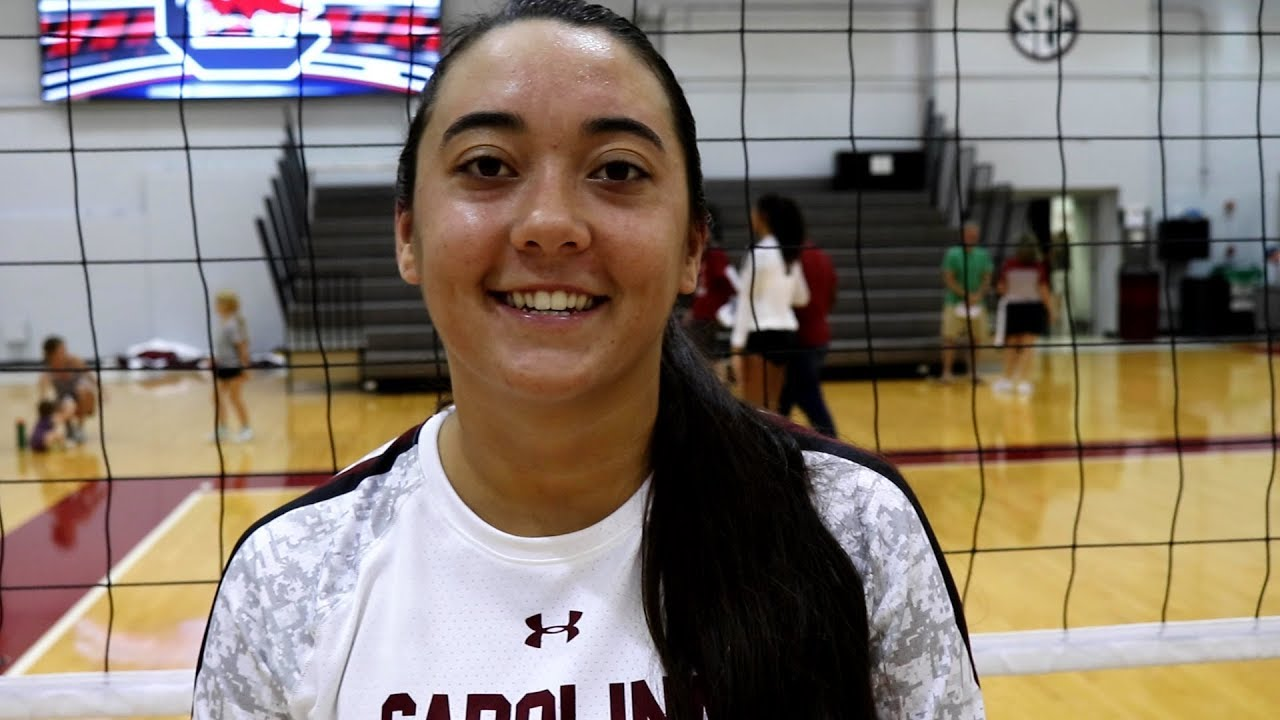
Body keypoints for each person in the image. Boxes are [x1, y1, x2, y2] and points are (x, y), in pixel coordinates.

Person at [193, 2, 985, 718]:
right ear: (408, 235)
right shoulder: (289, 579)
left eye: (617, 171)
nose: (549, 225)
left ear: (691, 249)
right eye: (487, 166)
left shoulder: (854, 529)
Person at [730, 194, 810, 411]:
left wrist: (736, 346)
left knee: (754, 410)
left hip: (760, 335)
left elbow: (745, 300)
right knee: (772, 408)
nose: (751, 215)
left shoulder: (760, 253)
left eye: (754, 210)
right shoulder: (789, 254)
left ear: (763, 216)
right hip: (786, 336)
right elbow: (802, 297)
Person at [777, 238, 838, 437]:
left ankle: (834, 446)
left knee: (807, 398)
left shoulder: (790, 257)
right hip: (820, 337)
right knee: (786, 398)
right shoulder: (822, 256)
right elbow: (832, 295)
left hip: (799, 340)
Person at [993, 237, 1054, 396]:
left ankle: (1007, 379)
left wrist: (1012, 291)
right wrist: (1051, 311)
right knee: (1028, 345)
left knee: (1011, 345)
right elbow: (1044, 291)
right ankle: (1023, 381)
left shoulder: (1008, 265)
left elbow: (1001, 288)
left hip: (1014, 307)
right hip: (1033, 308)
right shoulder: (1039, 267)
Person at [683, 203, 737, 377]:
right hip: (701, 313)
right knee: (702, 353)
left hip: (709, 314)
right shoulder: (704, 255)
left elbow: (730, 283)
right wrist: (693, 309)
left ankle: (718, 387)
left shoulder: (716, 254)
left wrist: (723, 308)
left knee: (707, 354)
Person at [939, 221, 994, 384]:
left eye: (974, 235)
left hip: (977, 303)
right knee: (950, 338)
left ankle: (974, 373)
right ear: (963, 235)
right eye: (969, 235)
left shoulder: (983, 254)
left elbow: (987, 278)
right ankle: (947, 373)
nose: (972, 238)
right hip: (954, 303)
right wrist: (965, 295)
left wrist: (977, 295)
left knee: (977, 339)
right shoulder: (953, 253)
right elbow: (948, 278)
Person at [210, 290, 253, 443]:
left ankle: (246, 428)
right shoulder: (224, 322)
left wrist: (245, 368)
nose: (215, 306)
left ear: (226, 305)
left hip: (234, 367)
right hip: (223, 366)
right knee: (215, 397)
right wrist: (215, 359)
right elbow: (224, 347)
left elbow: (242, 346)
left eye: (218, 303)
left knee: (235, 398)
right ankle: (223, 429)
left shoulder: (233, 324)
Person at [37, 335, 95, 444]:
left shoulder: (74, 361)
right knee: (64, 404)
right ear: (52, 354)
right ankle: (68, 429)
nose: (65, 352)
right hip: (62, 401)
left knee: (83, 391)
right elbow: (43, 397)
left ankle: (80, 429)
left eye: (65, 349)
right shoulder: (47, 372)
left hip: (80, 398)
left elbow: (90, 376)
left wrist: (102, 392)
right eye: (61, 350)